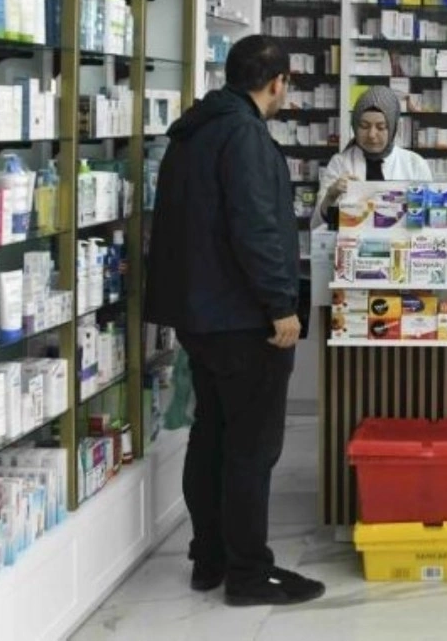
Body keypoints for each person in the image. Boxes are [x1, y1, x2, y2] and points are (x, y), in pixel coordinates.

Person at [144, 35, 322, 607]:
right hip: (245, 318)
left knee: (212, 436)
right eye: (286, 84)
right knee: (252, 448)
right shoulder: (244, 135)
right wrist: (280, 305)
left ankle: (210, 557)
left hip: (200, 316)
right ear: (277, 82)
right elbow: (255, 226)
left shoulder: (193, 131)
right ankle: (248, 572)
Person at [315, 86, 434, 227]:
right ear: (355, 126)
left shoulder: (414, 164)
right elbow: (317, 225)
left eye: (381, 127)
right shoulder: (340, 163)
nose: (371, 135)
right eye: (364, 126)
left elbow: (431, 219)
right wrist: (330, 196)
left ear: (393, 128)